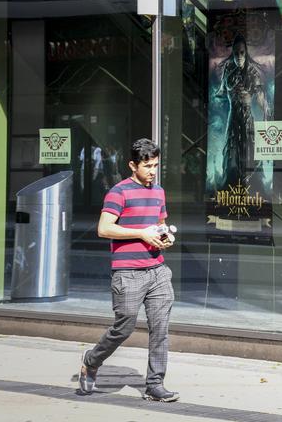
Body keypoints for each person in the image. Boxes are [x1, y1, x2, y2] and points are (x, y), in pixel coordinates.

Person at [78, 138, 179, 401]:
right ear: (133, 165)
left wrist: (165, 237)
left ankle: (155, 385)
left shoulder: (158, 191)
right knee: (124, 327)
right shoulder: (119, 192)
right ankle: (91, 360)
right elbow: (104, 228)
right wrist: (142, 234)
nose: (153, 171)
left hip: (157, 270)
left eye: (156, 165)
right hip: (128, 273)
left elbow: (159, 224)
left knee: (160, 329)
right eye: (147, 166)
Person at [215, 34, 270, 187]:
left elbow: (260, 96)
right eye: (236, 53)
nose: (239, 56)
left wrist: (266, 111)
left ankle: (253, 183)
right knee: (231, 149)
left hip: (246, 117)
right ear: (232, 53)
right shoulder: (228, 71)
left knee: (248, 149)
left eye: (242, 53)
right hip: (233, 117)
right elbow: (219, 94)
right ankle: (230, 182)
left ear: (246, 53)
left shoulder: (252, 73)